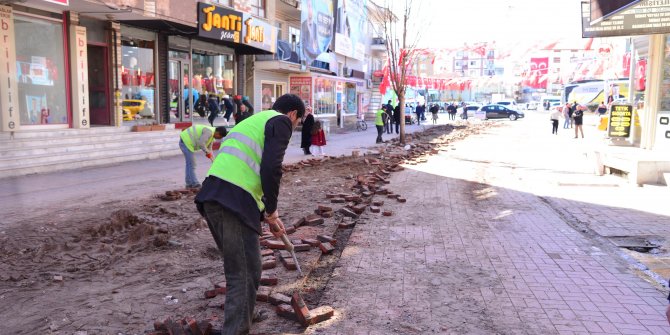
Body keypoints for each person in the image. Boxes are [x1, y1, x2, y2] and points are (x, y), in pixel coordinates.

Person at [195, 94, 305, 335]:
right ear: (293, 114)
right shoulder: (281, 121)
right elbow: (271, 168)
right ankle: (235, 329)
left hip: (213, 196)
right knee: (243, 271)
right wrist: (273, 210)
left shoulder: (251, 122)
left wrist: (266, 213)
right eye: (298, 122)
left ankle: (247, 313)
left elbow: (245, 170)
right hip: (233, 201)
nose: (294, 126)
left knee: (243, 266)